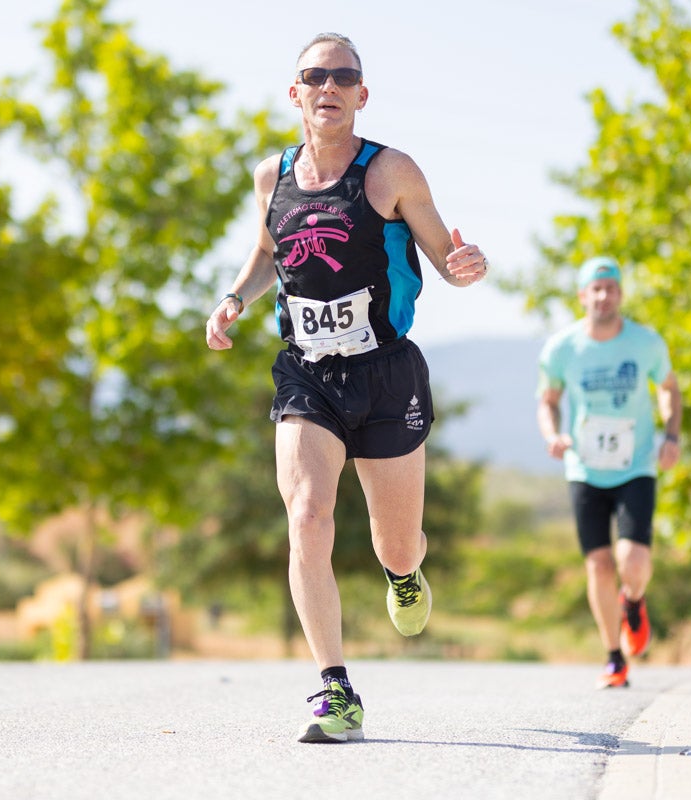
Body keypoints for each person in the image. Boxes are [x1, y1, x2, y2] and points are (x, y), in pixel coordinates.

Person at [205, 32, 488, 743]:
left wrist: (464, 266)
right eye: (314, 76)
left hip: (385, 372)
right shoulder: (272, 176)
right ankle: (337, 692)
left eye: (343, 77)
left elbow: (443, 257)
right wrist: (234, 298)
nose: (327, 87)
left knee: (396, 544)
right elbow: (269, 250)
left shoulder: (391, 172)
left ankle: (403, 572)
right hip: (307, 372)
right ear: (293, 93)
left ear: (363, 95)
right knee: (306, 516)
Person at [536, 256, 682, 688]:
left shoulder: (646, 342)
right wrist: (553, 435)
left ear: (620, 294)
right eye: (595, 289)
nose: (603, 296)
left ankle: (633, 601)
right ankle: (614, 656)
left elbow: (670, 389)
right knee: (598, 565)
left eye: (611, 288)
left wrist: (670, 437)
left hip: (635, 464)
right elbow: (548, 399)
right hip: (584, 467)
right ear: (583, 296)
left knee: (631, 562)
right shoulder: (562, 348)